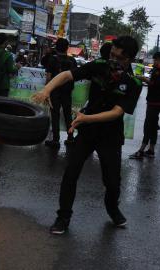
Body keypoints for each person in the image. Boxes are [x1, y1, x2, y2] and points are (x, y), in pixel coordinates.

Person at [32, 36, 143, 235]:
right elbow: (67, 75)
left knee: (112, 182)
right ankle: (63, 217)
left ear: (129, 59)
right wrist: (47, 89)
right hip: (87, 132)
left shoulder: (133, 83)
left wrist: (86, 118)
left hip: (110, 135)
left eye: (118, 58)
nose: (113, 59)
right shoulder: (99, 65)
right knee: (70, 173)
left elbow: (117, 112)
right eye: (112, 54)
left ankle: (112, 208)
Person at [129, 52, 160, 159]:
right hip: (159, 102)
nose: (154, 62)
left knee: (148, 125)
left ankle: (141, 150)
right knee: (153, 126)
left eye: (156, 60)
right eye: (154, 60)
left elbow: (157, 85)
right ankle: (151, 150)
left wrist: (145, 80)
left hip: (156, 102)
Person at [43, 38, 78, 147]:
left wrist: (46, 90)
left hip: (55, 91)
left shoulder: (52, 59)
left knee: (55, 114)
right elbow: (75, 76)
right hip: (67, 91)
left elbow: (48, 77)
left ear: (56, 47)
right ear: (67, 48)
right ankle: (71, 137)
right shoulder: (72, 61)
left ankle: (56, 139)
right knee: (68, 115)